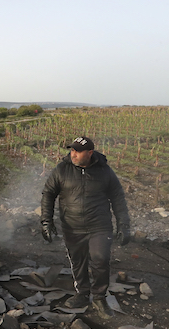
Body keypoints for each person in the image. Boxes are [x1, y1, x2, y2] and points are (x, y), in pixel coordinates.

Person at [40, 136, 131, 319]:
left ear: (89, 153)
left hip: (100, 225)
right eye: (72, 150)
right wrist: (46, 221)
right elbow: (48, 194)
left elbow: (118, 198)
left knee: (100, 260)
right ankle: (82, 294)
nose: (73, 154)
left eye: (77, 151)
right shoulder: (62, 169)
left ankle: (99, 297)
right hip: (72, 226)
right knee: (78, 262)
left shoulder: (105, 171)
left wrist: (123, 224)